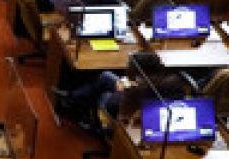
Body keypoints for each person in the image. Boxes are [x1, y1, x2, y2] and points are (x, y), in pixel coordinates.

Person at [54, 50, 192, 129]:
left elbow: (115, 107)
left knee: (103, 93)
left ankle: (91, 121)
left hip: (130, 119)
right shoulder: (175, 80)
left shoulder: (137, 91)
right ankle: (72, 97)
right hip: (147, 107)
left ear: (139, 71)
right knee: (106, 77)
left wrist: (121, 91)